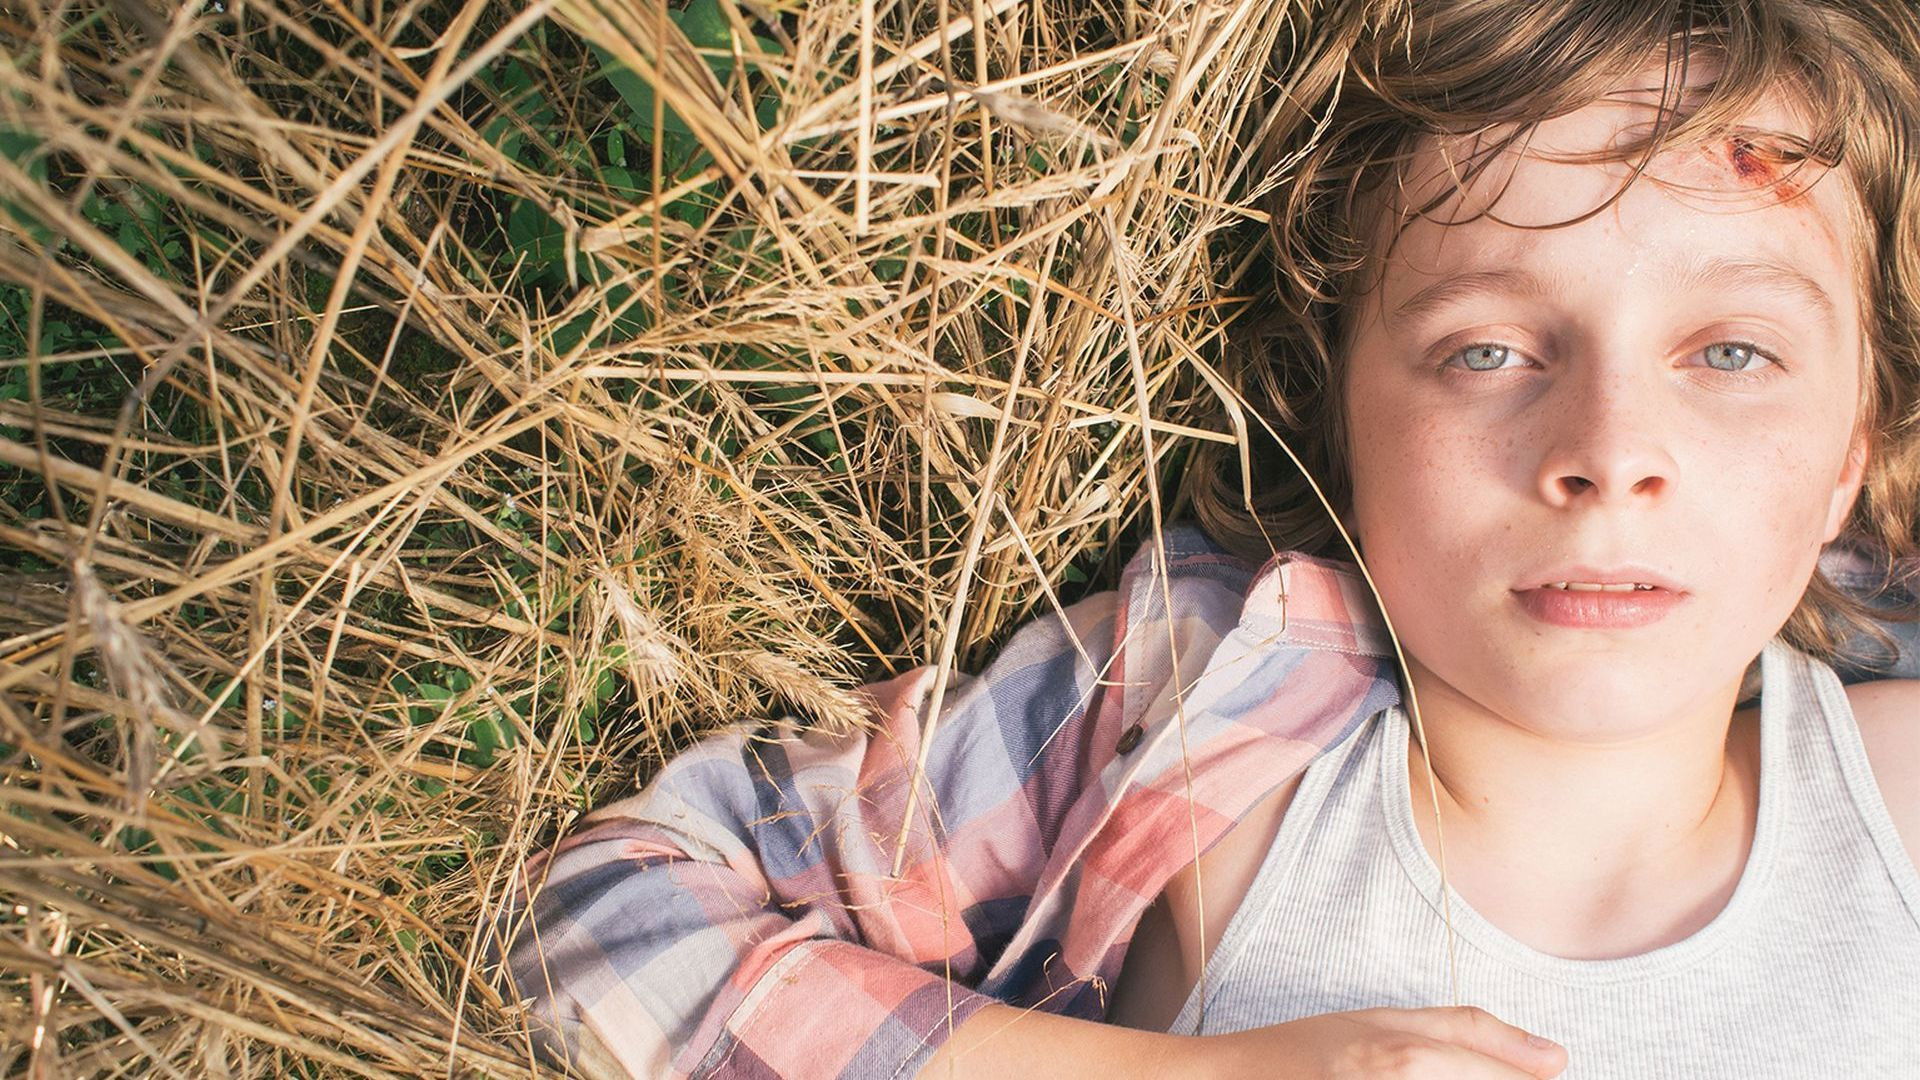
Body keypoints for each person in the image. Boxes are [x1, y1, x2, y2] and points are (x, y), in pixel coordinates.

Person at [491, 2, 1920, 1077]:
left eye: (1733, 354)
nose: (1608, 452)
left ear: (1852, 454)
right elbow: (604, 924)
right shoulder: (1206, 711)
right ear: (1341, 418)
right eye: (1486, 350)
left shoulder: (1898, 793)